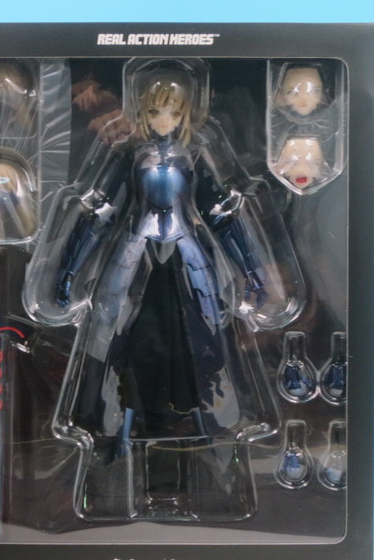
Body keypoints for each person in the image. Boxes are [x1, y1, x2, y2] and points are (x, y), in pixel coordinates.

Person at [40, 60, 274, 521]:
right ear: (142, 112)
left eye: (172, 112)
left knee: (200, 346)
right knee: (126, 348)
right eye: (155, 112)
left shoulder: (195, 157)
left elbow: (222, 215)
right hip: (134, 260)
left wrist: (253, 272)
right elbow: (98, 212)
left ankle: (209, 431)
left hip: (187, 261)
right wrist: (66, 271)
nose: (164, 121)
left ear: (185, 114)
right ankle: (119, 434)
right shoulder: (129, 157)